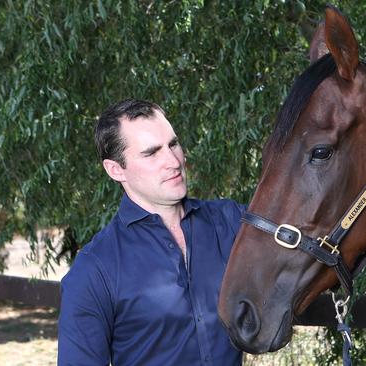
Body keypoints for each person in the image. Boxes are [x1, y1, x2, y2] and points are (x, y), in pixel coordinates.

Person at [58, 99, 244, 365]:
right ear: (115, 170)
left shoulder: (231, 221)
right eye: (151, 153)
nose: (173, 161)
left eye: (173, 144)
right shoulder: (94, 270)